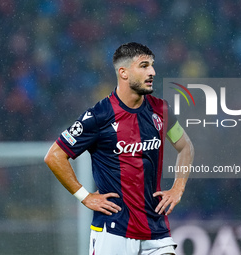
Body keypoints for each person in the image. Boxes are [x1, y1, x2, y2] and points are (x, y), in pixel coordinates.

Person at [44, 42, 194, 255]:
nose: (152, 72)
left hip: (155, 228)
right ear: (123, 72)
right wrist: (85, 197)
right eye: (143, 66)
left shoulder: (161, 110)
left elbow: (185, 147)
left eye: (151, 65)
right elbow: (55, 156)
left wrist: (178, 187)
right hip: (113, 230)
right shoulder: (98, 116)